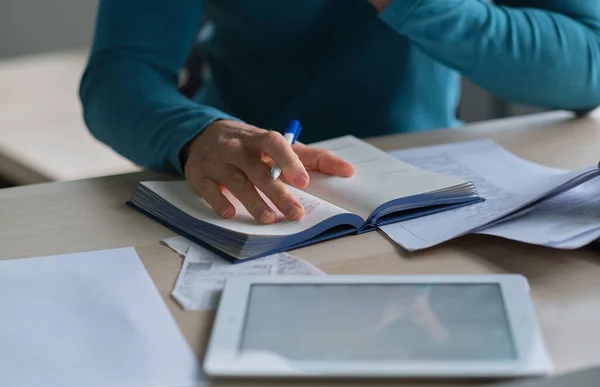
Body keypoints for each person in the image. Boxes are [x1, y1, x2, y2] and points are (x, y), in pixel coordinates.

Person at [79, 0, 600, 224]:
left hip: (430, 189)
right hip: (243, 191)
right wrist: (197, 132)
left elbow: (586, 68)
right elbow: (119, 73)